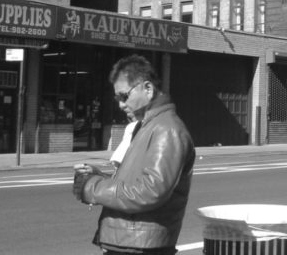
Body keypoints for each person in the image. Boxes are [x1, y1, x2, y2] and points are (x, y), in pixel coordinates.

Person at [73, 54, 195, 255]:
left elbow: (150, 191)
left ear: (148, 89)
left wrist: (92, 187)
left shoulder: (166, 129)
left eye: (124, 96)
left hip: (141, 247)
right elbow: (137, 183)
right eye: (117, 98)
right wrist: (99, 176)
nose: (120, 104)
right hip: (133, 244)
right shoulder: (147, 126)